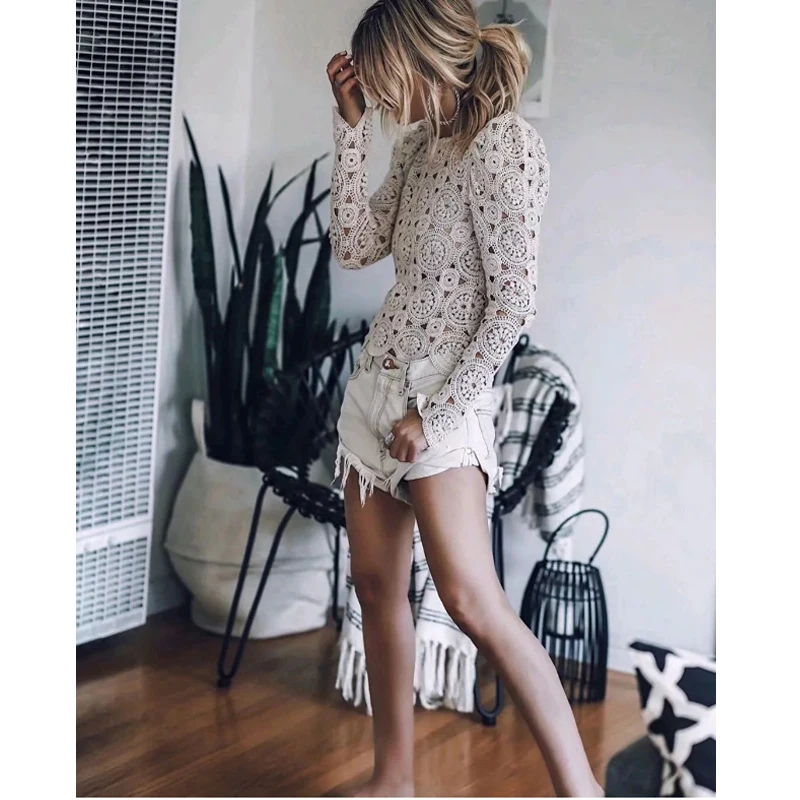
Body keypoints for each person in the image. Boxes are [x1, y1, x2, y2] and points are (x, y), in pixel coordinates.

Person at [325, 1, 603, 796]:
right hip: (374, 393)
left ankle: (582, 790)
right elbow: (353, 246)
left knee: (475, 603)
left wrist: (435, 415)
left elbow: (512, 307)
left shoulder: (503, 146)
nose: (381, 95)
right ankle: (393, 781)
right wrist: (350, 130)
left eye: (383, 78)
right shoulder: (419, 144)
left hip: (441, 406)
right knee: (376, 588)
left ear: (420, 58)